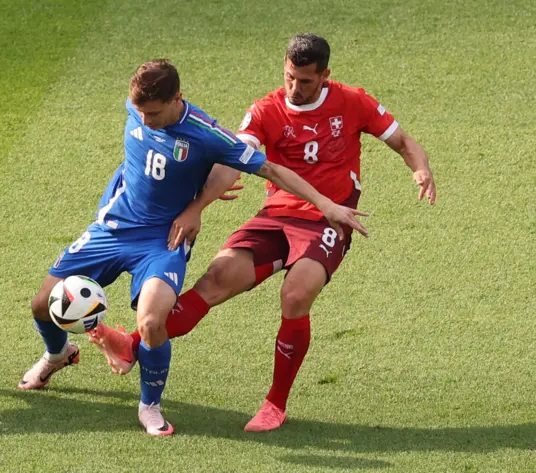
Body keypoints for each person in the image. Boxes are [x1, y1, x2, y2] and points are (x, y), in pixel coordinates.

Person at [89, 34, 437, 432]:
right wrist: (200, 204)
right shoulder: (265, 110)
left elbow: (404, 141)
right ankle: (136, 344)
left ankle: (275, 403)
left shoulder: (353, 101)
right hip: (275, 216)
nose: (295, 88)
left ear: (325, 75)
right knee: (216, 280)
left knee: (295, 293)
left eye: (305, 81)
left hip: (328, 219)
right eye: (289, 77)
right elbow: (232, 160)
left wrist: (420, 168)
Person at [19, 58, 369, 437]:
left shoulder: (205, 134)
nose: (145, 119)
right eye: (139, 111)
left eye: (153, 113)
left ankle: (150, 405)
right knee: (42, 303)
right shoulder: (137, 105)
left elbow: (269, 170)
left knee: (153, 322)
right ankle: (58, 355)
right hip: (113, 228)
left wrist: (326, 205)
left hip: (164, 238)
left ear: (177, 99)